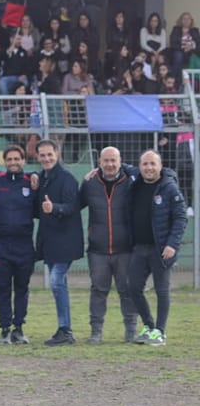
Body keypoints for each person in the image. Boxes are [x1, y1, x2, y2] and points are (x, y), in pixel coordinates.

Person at [78, 146, 139, 344]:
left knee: (127, 291)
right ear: (100, 162)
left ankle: (131, 331)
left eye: (114, 160)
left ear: (121, 162)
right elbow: (75, 205)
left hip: (125, 249)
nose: (110, 164)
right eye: (106, 160)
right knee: (98, 291)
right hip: (98, 250)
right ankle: (96, 332)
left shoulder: (131, 182)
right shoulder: (90, 183)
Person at [128, 150, 187, 346]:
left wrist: (172, 244)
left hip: (160, 248)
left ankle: (160, 332)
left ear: (160, 166)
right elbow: (120, 166)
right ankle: (148, 326)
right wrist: (96, 171)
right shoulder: (135, 184)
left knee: (162, 290)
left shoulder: (169, 188)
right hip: (139, 248)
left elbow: (180, 217)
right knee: (133, 288)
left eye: (153, 164)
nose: (149, 168)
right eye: (145, 164)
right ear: (139, 167)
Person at [34, 139, 84, 346]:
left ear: (57, 154)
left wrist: (54, 208)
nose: (46, 158)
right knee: (59, 282)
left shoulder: (67, 179)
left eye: (49, 154)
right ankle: (64, 329)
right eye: (42, 155)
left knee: (56, 281)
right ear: (37, 157)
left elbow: (73, 207)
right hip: (50, 241)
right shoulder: (42, 178)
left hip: (65, 241)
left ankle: (65, 330)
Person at [0, 145, 37, 344]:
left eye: (17, 159)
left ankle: (18, 328)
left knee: (22, 288)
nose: (13, 162)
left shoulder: (31, 182)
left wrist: (34, 175)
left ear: (23, 161)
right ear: (5, 161)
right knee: (2, 288)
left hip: (24, 245)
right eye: (9, 159)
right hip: (1, 244)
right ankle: (4, 329)